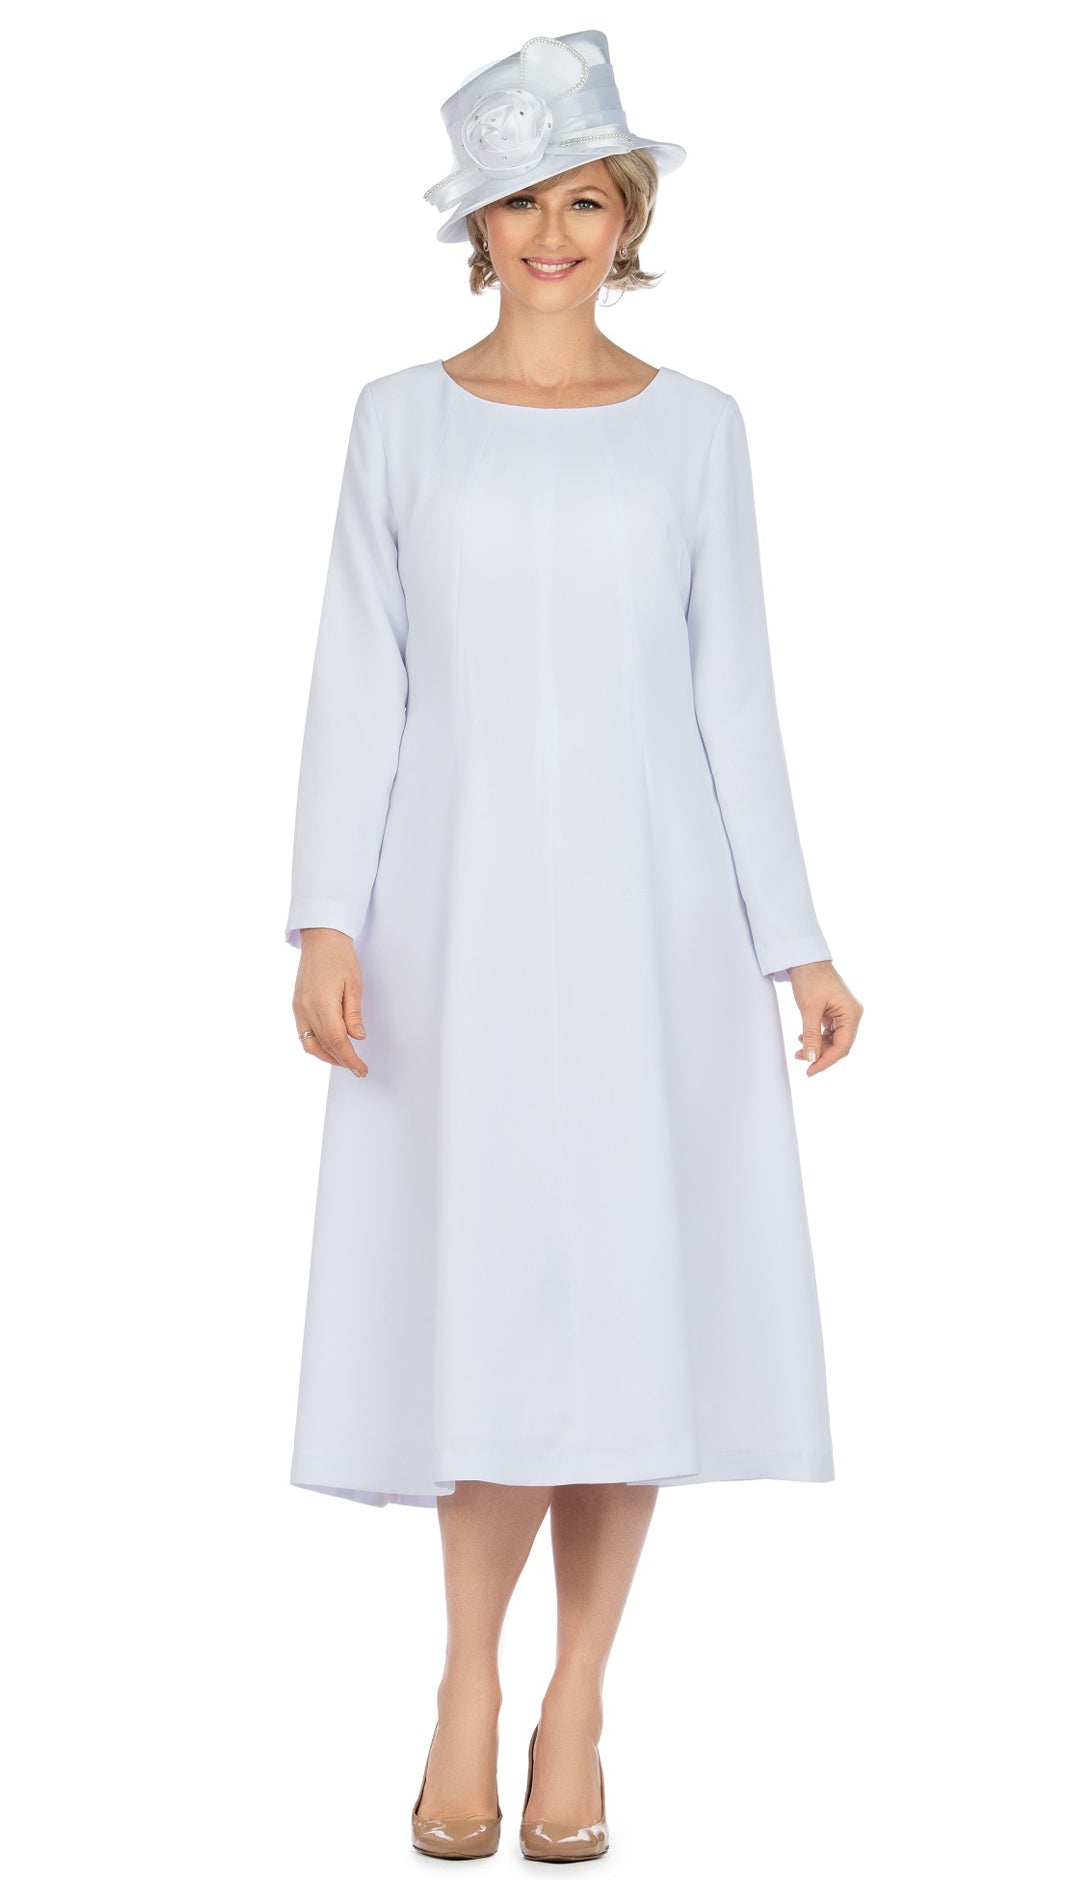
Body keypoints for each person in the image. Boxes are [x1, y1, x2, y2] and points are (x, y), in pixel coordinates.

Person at [284, 27, 863, 1863]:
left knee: (626, 1312)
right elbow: (358, 683)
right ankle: (466, 1682)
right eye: (523, 202)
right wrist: (324, 915)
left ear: (631, 223)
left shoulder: (698, 432)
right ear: (476, 224)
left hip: (653, 926)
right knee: (491, 1307)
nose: (554, 234)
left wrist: (794, 940)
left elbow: (732, 696)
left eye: (588, 201)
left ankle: (577, 1701)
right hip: (452, 929)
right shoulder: (398, 421)